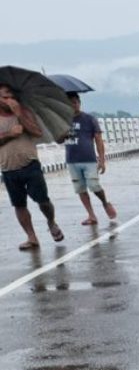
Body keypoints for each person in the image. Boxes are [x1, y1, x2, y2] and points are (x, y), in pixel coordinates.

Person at [0, 83, 64, 251]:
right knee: (19, 205)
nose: (7, 100)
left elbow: (37, 132)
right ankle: (31, 237)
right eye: (3, 97)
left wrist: (19, 114)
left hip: (30, 165)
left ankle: (51, 221)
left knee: (43, 200)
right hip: (8, 169)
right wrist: (9, 135)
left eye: (10, 96)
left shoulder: (25, 112)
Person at [64, 92, 117, 226]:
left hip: (89, 159)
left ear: (79, 103)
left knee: (94, 185)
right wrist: (63, 132)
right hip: (72, 160)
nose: (73, 105)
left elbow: (98, 140)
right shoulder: (63, 121)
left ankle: (105, 203)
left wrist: (102, 160)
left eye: (75, 102)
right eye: (69, 103)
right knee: (80, 189)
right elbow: (58, 139)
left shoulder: (89, 119)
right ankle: (91, 215)